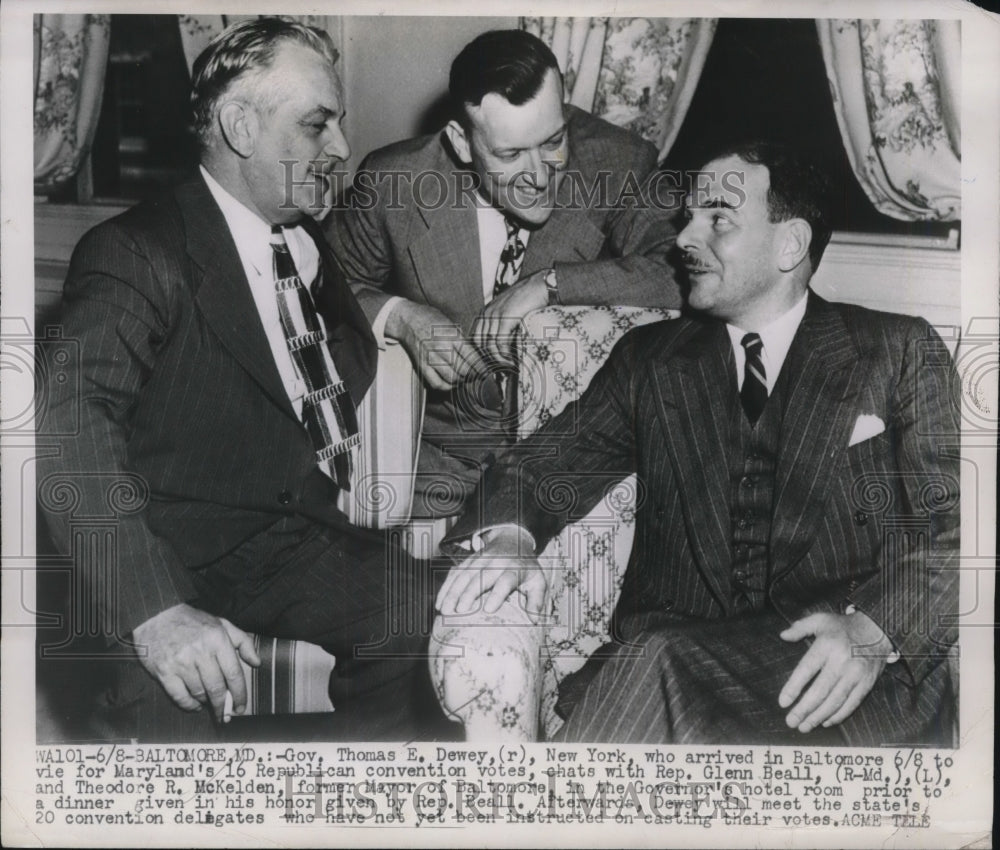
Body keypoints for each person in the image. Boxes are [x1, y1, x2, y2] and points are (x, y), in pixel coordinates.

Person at [437, 141, 960, 746]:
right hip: (668, 677)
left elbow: (959, 529)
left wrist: (873, 632)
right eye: (687, 217)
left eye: (718, 220)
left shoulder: (898, 352)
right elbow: (542, 467)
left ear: (790, 244)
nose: (685, 237)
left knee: (652, 665)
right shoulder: (651, 362)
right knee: (654, 661)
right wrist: (509, 538)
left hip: (834, 683)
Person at [37, 19, 448, 742]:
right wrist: (153, 611)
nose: (344, 148)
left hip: (281, 534)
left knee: (425, 617)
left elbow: (326, 354)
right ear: (240, 127)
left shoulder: (303, 238)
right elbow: (68, 426)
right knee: (173, 738)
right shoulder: (134, 253)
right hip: (160, 548)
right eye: (318, 124)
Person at [327, 29, 682, 518]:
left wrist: (548, 286)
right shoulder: (395, 181)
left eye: (554, 141)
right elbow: (318, 280)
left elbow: (680, 272)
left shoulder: (620, 164)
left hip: (565, 475)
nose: (539, 175)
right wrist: (401, 317)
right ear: (461, 142)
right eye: (511, 155)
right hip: (429, 468)